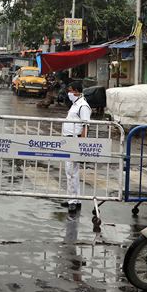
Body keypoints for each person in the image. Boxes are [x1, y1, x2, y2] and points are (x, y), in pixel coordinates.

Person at [61, 81, 91, 212]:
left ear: (77, 91)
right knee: (72, 171)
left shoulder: (83, 106)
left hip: (75, 141)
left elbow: (86, 126)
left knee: (71, 171)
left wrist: (81, 144)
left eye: (71, 90)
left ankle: (73, 201)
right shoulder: (75, 104)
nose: (69, 93)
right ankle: (74, 199)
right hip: (69, 140)